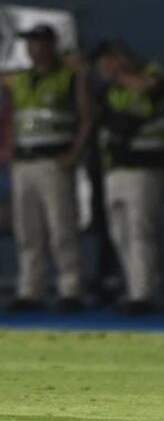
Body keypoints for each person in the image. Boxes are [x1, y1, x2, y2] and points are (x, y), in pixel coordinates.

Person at [5, 24, 93, 311]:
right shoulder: (20, 79)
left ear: (51, 45)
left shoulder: (67, 77)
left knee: (61, 228)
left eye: (38, 42)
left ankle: (70, 289)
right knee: (28, 230)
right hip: (24, 162)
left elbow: (87, 118)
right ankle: (31, 290)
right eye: (29, 43)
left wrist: (73, 154)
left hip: (54, 161)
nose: (32, 48)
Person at [94, 42, 164, 314]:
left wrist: (118, 75)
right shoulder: (110, 91)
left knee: (140, 230)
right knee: (119, 233)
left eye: (108, 62)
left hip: (144, 167)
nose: (104, 69)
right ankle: (135, 289)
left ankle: (144, 294)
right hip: (115, 168)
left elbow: (149, 87)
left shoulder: (152, 72)